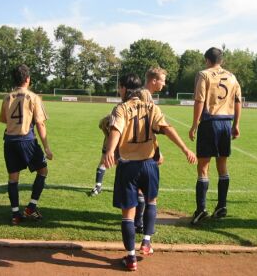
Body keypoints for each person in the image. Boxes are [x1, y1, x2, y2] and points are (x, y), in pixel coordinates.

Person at [104, 74, 196, 271]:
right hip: (149, 165)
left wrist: (110, 151)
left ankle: (130, 259)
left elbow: (115, 130)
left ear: (125, 89)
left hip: (128, 166)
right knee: (151, 201)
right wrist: (185, 149)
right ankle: (146, 241)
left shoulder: (121, 108)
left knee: (128, 214)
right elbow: (167, 129)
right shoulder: (152, 107)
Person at [88, 68, 167, 233]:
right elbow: (148, 129)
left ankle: (137, 222)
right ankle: (139, 223)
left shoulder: (139, 97)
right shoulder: (144, 96)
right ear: (154, 80)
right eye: (163, 80)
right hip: (136, 150)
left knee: (137, 188)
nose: (164, 83)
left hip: (131, 149)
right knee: (140, 189)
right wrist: (157, 151)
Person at [188, 47, 242, 225]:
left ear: (206, 60)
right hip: (226, 123)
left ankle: (201, 209)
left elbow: (199, 100)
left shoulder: (204, 75)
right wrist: (236, 125)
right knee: (222, 166)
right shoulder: (232, 77)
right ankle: (221, 206)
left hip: (209, 123)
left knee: (203, 167)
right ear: (222, 60)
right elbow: (238, 101)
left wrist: (195, 124)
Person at [0, 64, 53, 225]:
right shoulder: (34, 97)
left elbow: (4, 120)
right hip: (26, 140)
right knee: (43, 171)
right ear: (28, 79)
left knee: (13, 178)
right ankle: (30, 208)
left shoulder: (7, 97)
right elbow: (40, 124)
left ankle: (15, 214)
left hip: (9, 141)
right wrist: (47, 148)